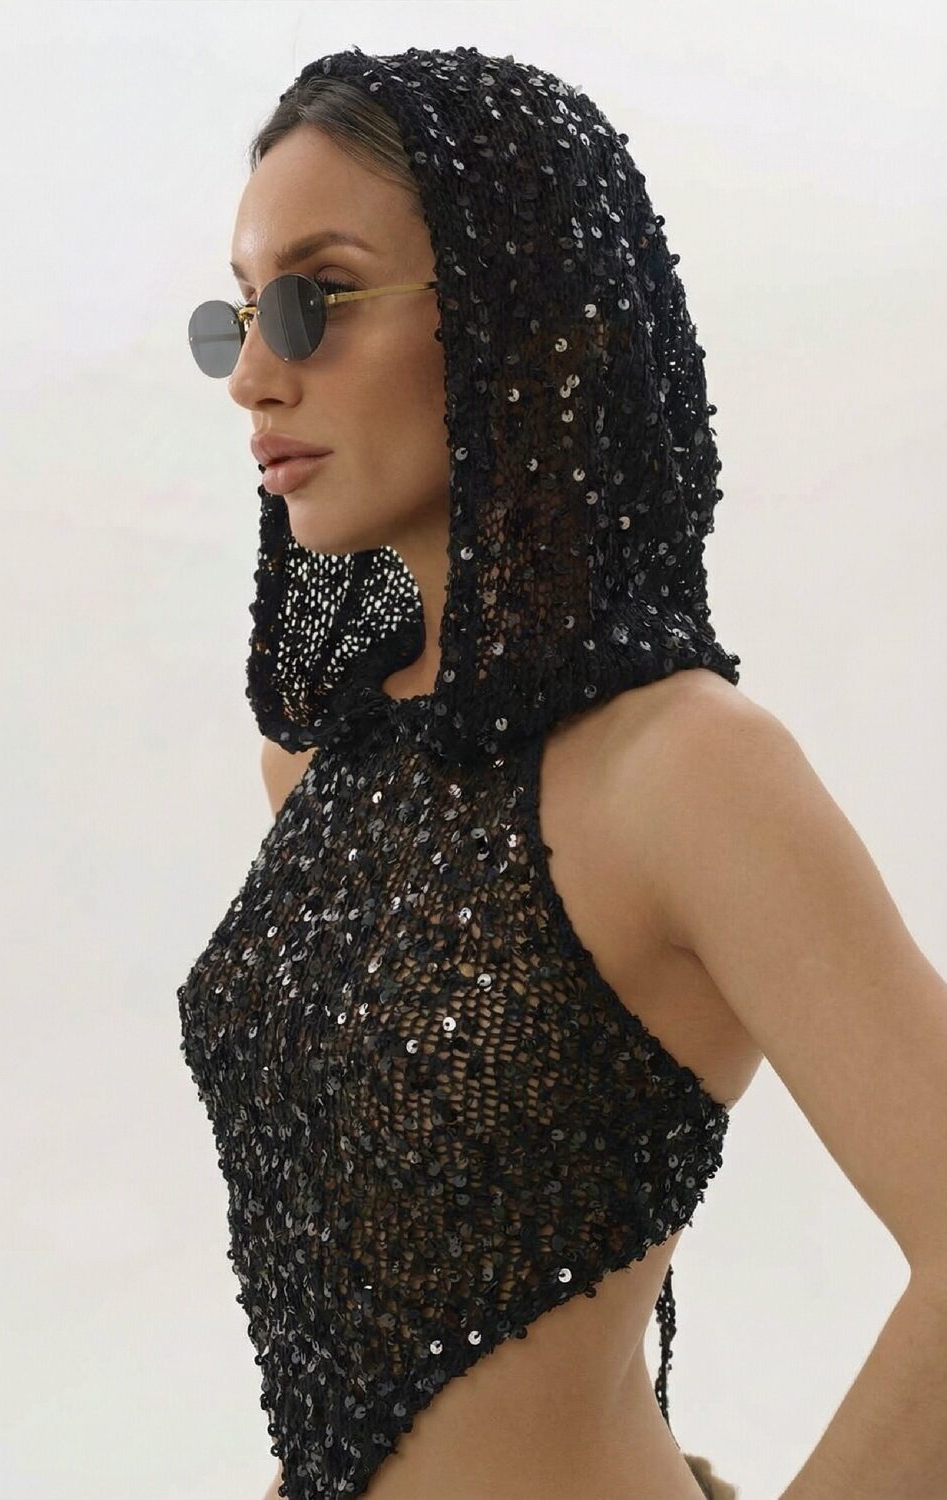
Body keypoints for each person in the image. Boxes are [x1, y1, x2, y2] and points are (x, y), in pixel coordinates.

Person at [178, 44, 938, 1500]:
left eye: (315, 300)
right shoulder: (319, 761)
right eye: (239, 316)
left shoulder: (686, 770)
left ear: (520, 314)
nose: (257, 377)